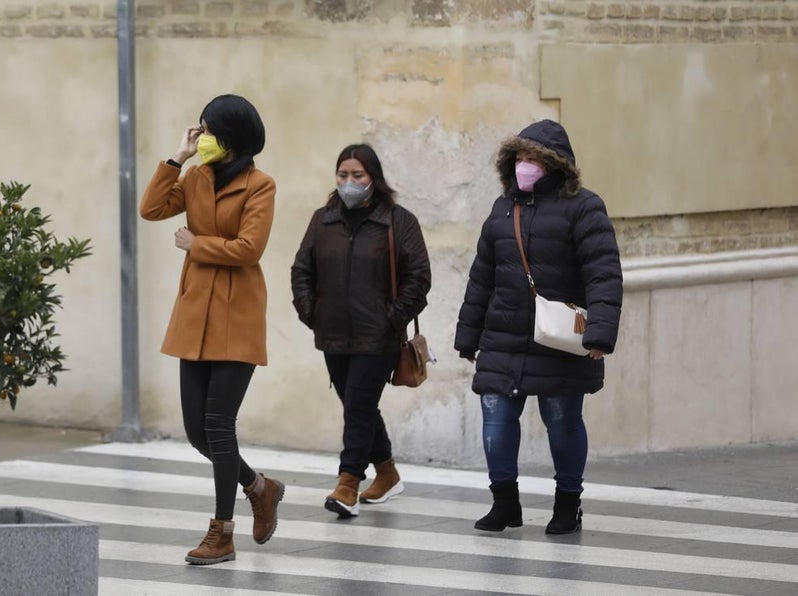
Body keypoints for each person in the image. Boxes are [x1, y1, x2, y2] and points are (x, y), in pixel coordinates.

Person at [455, 119, 622, 535]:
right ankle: (505, 503)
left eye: (533, 158)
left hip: (560, 339)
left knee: (563, 420)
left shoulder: (585, 207)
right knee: (495, 419)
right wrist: (468, 336)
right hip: (503, 336)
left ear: (555, 165)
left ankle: (568, 504)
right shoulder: (502, 209)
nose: (524, 166)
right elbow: (482, 277)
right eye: (519, 157)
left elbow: (603, 274)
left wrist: (599, 334)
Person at [139, 93, 285, 565]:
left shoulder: (260, 185)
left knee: (219, 426)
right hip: (194, 314)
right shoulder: (196, 176)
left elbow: (248, 249)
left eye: (208, 131)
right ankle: (261, 488)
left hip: (237, 315)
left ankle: (222, 533)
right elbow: (152, 208)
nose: (202, 138)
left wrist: (195, 242)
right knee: (197, 432)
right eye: (198, 130)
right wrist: (176, 157)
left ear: (233, 137)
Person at [290, 143, 431, 518]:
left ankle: (348, 482)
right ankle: (386, 473)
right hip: (332, 334)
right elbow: (301, 269)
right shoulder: (323, 220)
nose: (349, 183)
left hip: (378, 336)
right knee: (359, 406)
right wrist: (311, 312)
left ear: (374, 179)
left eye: (357, 176)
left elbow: (419, 278)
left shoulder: (399, 222)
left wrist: (392, 317)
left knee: (357, 407)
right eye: (342, 175)